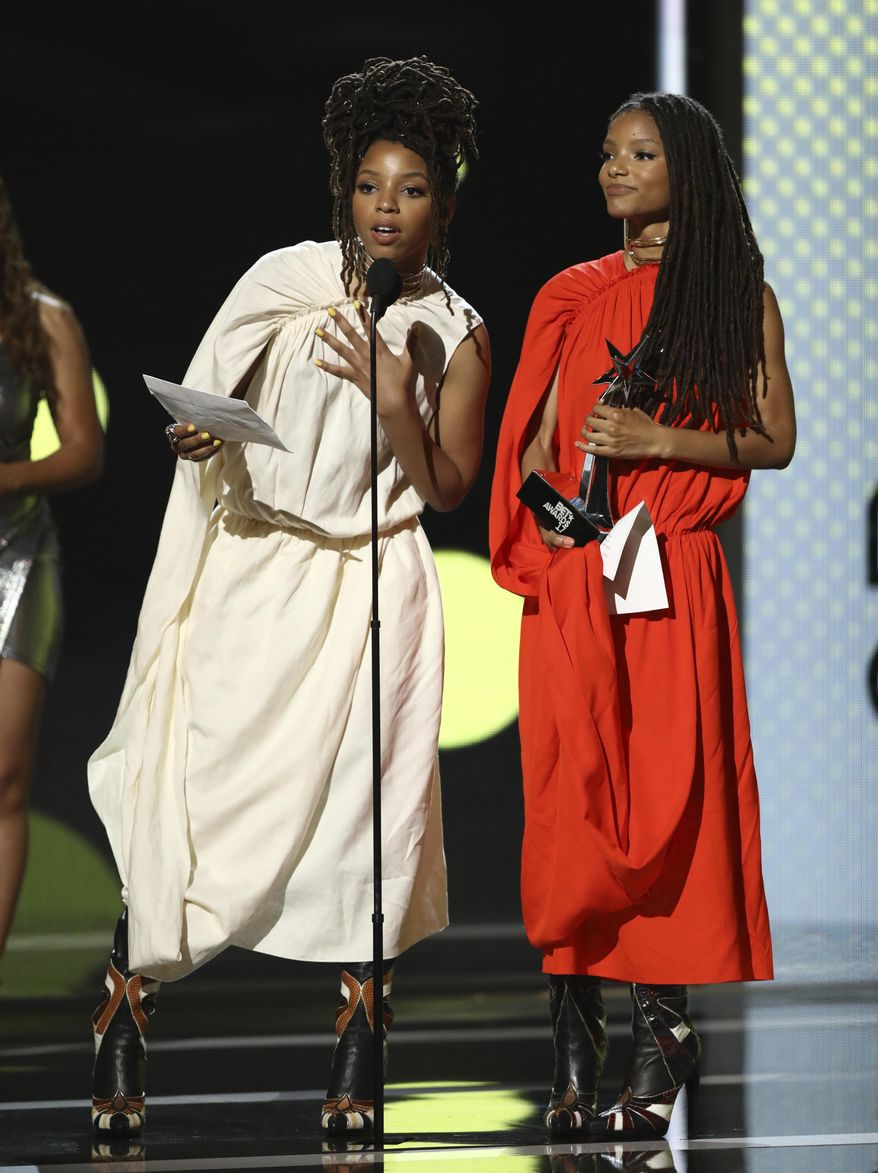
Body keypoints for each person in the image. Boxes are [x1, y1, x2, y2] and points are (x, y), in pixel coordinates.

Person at [87, 56, 489, 1137]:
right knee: (203, 798)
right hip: (258, 568)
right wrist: (196, 434)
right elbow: (210, 400)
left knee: (366, 822)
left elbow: (450, 486)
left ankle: (359, 1051)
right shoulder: (284, 279)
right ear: (344, 192)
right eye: (368, 185)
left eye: (410, 189)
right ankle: (125, 1009)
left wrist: (394, 397)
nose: (385, 207)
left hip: (375, 580)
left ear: (443, 206)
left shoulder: (456, 330)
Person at [489, 91, 795, 1140]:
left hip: (669, 572)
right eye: (607, 153)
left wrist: (662, 443)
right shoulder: (568, 294)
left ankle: (660, 1034)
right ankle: (573, 1049)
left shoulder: (733, 295)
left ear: (687, 171)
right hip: (581, 573)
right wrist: (559, 530)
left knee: (666, 804)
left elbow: (773, 439)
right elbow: (533, 448)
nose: (614, 170)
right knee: (571, 803)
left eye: (640, 154)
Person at [0, 176, 103, 963]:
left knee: (4, 778)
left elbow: (83, 450)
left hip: (17, 558)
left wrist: (7, 478)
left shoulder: (40, 317)